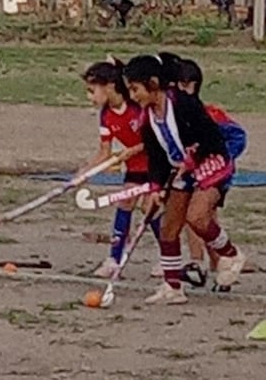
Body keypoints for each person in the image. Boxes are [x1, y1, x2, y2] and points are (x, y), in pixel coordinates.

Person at [123, 53, 246, 305]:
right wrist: (157, 185)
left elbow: (212, 136)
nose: (133, 96)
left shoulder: (184, 104)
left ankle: (230, 255)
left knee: (198, 217)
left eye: (136, 89)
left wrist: (193, 156)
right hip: (180, 171)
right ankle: (172, 287)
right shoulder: (147, 118)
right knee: (169, 228)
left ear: (153, 83)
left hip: (211, 162)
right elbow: (156, 156)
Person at [81, 57, 161, 278]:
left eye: (91, 91)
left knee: (149, 208)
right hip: (134, 167)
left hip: (154, 163)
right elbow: (104, 152)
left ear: (108, 86)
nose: (90, 97)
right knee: (125, 203)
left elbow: (154, 139)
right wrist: (84, 173)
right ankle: (114, 259)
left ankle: (167, 258)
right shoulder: (106, 115)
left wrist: (132, 150)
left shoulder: (136, 106)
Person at [177, 59, 247, 291]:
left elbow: (238, 137)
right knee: (191, 216)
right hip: (191, 173)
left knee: (205, 216)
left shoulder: (211, 114)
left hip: (215, 173)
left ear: (190, 86)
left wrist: (220, 158)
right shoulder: (175, 116)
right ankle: (197, 263)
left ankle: (222, 263)